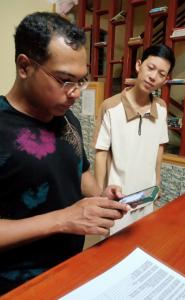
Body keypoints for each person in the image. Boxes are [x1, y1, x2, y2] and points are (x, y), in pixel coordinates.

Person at [0, 12, 130, 295]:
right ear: (25, 66)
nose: (74, 93)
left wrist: (99, 196)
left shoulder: (66, 117)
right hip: (18, 287)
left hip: (72, 271)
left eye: (80, 81)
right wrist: (64, 219)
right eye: (64, 80)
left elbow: (79, 170)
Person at [93, 44, 175, 231]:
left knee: (144, 242)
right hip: (119, 196)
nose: (153, 77)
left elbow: (159, 147)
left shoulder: (161, 108)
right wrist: (99, 196)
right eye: (150, 68)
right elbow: (101, 153)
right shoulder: (110, 107)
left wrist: (157, 183)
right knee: (115, 249)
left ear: (165, 79)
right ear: (139, 65)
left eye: (161, 74)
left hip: (146, 195)